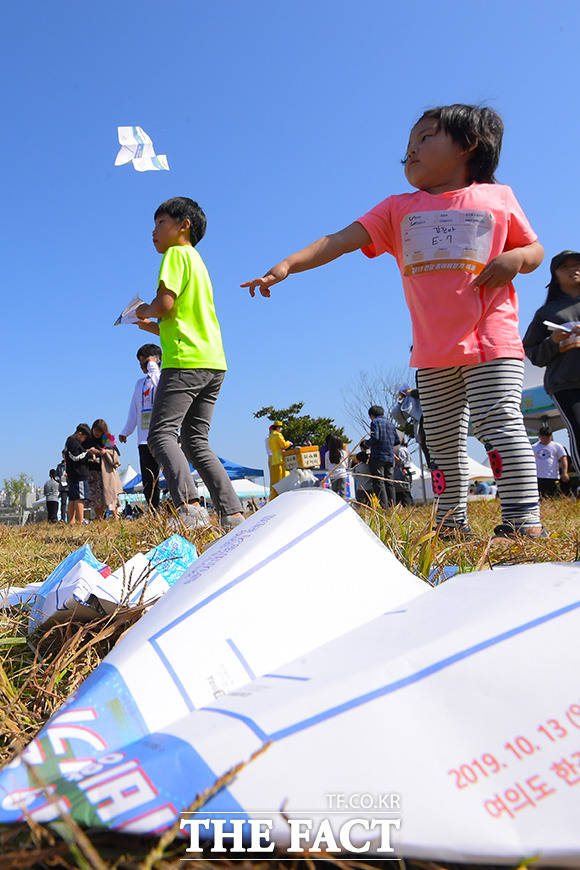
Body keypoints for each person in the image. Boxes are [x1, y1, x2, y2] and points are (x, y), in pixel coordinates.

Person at [242, 103, 546, 538]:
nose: (411, 150)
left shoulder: (497, 198)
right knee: (440, 443)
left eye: (425, 139)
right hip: (431, 352)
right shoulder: (397, 209)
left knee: (498, 425)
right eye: (408, 145)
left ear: (468, 147)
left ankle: (521, 520)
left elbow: (534, 250)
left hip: (490, 341)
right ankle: (449, 523)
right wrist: (289, 264)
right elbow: (339, 240)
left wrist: (516, 257)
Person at [135, 197, 244, 530]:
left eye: (160, 223)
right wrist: (151, 325)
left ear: (184, 226)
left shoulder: (174, 255)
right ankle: (232, 513)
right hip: (213, 361)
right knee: (196, 440)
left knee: (161, 434)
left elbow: (165, 304)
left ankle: (189, 507)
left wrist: (143, 310)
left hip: (184, 362)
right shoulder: (197, 261)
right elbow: (179, 317)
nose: (154, 232)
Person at [523, 250, 580, 477]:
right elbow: (532, 353)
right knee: (578, 430)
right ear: (555, 275)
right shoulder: (547, 312)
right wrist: (553, 341)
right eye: (565, 267)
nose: (573, 269)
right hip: (565, 384)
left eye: (577, 264)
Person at [119, 344, 162, 510]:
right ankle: (153, 509)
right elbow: (134, 410)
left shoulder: (163, 376)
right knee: (148, 477)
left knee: (170, 473)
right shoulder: (139, 384)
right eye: (141, 364)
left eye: (144, 363)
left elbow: (161, 389)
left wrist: (153, 368)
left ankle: (180, 506)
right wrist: (126, 431)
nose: (142, 367)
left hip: (163, 434)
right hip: (144, 438)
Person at [360, 405, 400, 508]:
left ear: (372, 415)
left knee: (379, 482)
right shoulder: (390, 424)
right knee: (389, 482)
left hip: (378, 456)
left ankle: (384, 506)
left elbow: (375, 437)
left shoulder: (375, 422)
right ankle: (392, 506)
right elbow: (397, 441)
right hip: (390, 457)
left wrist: (366, 444)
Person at [88, 419, 123, 519]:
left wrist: (105, 452)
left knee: (111, 494)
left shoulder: (108, 439)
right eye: (95, 430)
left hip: (107, 473)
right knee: (96, 498)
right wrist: (90, 451)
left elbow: (116, 454)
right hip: (93, 473)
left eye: (99, 431)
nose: (97, 433)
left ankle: (115, 516)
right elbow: (83, 451)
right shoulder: (89, 440)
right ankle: (100, 519)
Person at [65, 423, 99, 524]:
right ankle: (80, 521)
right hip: (78, 474)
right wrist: (89, 454)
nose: (84, 440)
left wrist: (87, 451)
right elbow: (76, 456)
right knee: (80, 498)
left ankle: (71, 521)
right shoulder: (73, 441)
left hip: (73, 474)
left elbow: (78, 454)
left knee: (72, 498)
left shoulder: (71, 441)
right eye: (84, 437)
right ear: (80, 433)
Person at [532, 424, 568, 498]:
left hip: (553, 477)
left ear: (551, 436)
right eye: (543, 437)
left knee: (555, 498)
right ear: (540, 436)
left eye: (547, 438)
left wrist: (564, 472)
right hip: (538, 478)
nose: (545, 440)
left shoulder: (557, 446)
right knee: (540, 498)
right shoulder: (533, 447)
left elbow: (563, 459)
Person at [267, 421, 292, 499]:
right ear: (278, 428)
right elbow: (283, 445)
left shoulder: (270, 437)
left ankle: (273, 497)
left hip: (273, 460)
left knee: (274, 481)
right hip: (280, 460)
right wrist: (289, 443)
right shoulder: (278, 435)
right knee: (282, 479)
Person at [394, 439, 414, 506]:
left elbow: (400, 461)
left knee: (403, 491)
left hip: (401, 471)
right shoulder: (405, 449)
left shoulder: (400, 450)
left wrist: (393, 455)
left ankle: (407, 506)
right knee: (406, 491)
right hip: (406, 471)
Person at [56, 450, 68, 521]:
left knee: (73, 502)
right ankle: (63, 519)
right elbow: (56, 475)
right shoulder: (59, 466)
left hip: (70, 485)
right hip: (63, 487)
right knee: (63, 503)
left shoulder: (71, 464)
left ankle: (73, 518)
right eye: (63, 455)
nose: (64, 457)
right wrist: (59, 479)